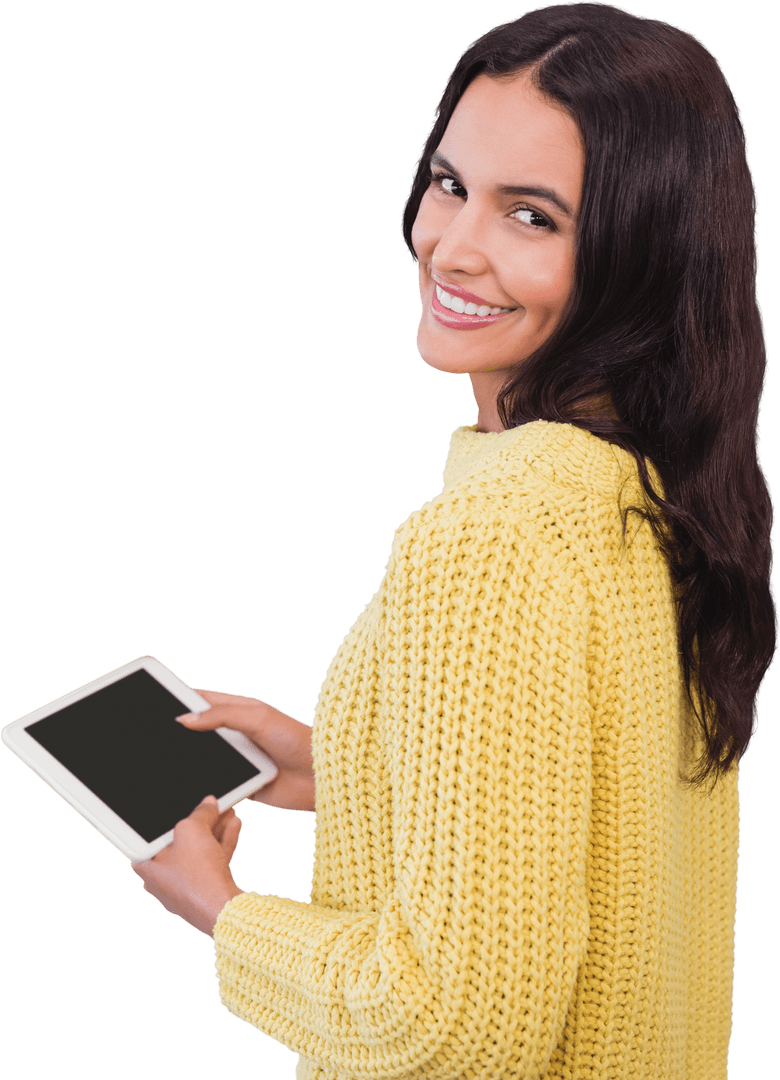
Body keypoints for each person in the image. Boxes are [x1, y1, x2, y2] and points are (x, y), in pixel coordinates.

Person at [131, 4, 778, 1078]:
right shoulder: (651, 500)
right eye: (449, 183)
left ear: (639, 252)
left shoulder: (491, 538)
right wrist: (355, 762)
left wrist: (223, 912)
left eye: (533, 217)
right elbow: (596, 833)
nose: (453, 246)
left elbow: (443, 1022)